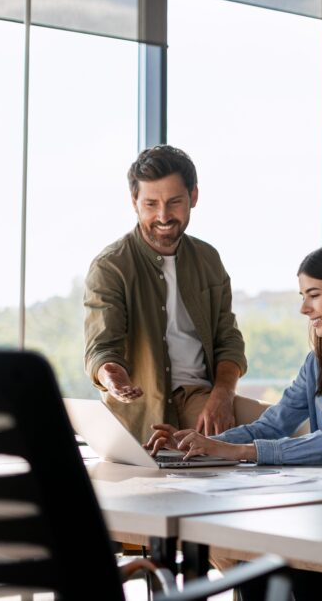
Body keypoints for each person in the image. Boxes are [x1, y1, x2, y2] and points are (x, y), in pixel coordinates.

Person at [144, 241, 322, 467]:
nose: (304, 308)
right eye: (302, 296)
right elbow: (272, 425)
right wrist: (196, 443)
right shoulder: (318, 363)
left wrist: (236, 451)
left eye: (314, 295)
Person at [84, 145, 263, 443]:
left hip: (201, 399)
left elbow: (228, 340)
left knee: (293, 428)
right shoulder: (111, 266)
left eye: (174, 202)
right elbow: (102, 349)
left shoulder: (208, 259)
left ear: (194, 197)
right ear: (134, 202)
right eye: (151, 204)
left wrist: (222, 396)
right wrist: (111, 376)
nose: (163, 216)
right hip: (142, 410)